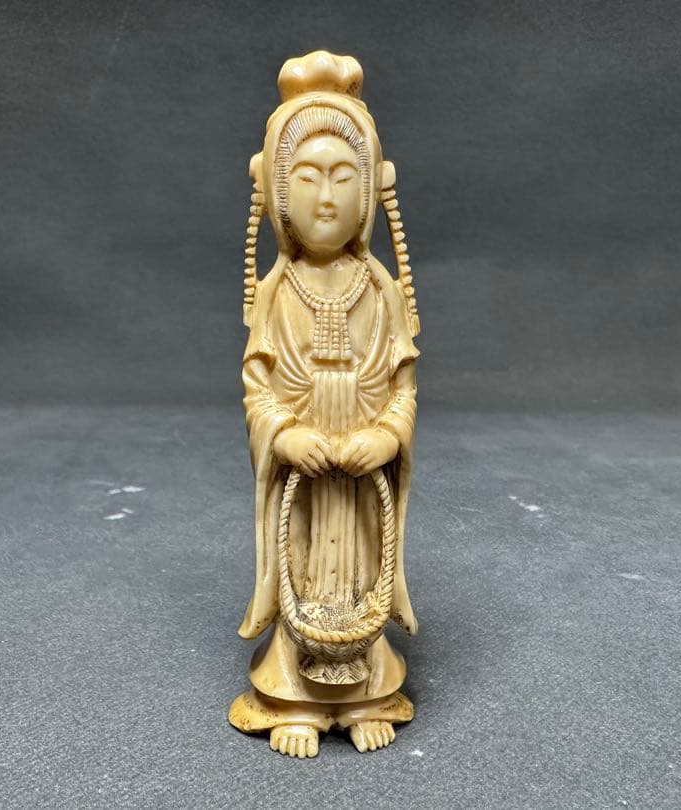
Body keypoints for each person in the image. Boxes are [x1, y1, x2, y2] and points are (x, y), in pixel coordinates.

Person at [228, 51, 422, 758]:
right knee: (303, 568)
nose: (327, 197)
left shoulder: (381, 290)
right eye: (308, 179)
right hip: (305, 476)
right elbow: (257, 386)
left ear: (370, 190)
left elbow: (403, 385)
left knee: (363, 573)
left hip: (361, 471)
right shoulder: (278, 293)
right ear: (278, 193)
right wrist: (282, 435)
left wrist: (388, 435)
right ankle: (294, 698)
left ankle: (367, 692)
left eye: (344, 177)